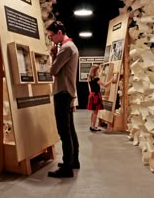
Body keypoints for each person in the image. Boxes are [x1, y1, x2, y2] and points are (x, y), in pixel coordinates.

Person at [46, 20, 79, 178]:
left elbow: (53, 70)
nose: (51, 39)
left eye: (52, 36)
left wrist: (53, 55)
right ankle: (74, 161)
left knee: (64, 131)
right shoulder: (71, 47)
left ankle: (67, 167)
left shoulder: (66, 48)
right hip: (67, 91)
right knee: (70, 129)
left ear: (59, 33)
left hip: (63, 92)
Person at [87, 65, 116, 131]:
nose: (99, 71)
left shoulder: (90, 78)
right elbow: (105, 85)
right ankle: (93, 127)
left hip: (92, 95)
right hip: (96, 96)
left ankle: (91, 125)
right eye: (98, 70)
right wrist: (111, 79)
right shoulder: (96, 79)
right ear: (95, 71)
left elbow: (89, 89)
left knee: (93, 112)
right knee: (95, 112)